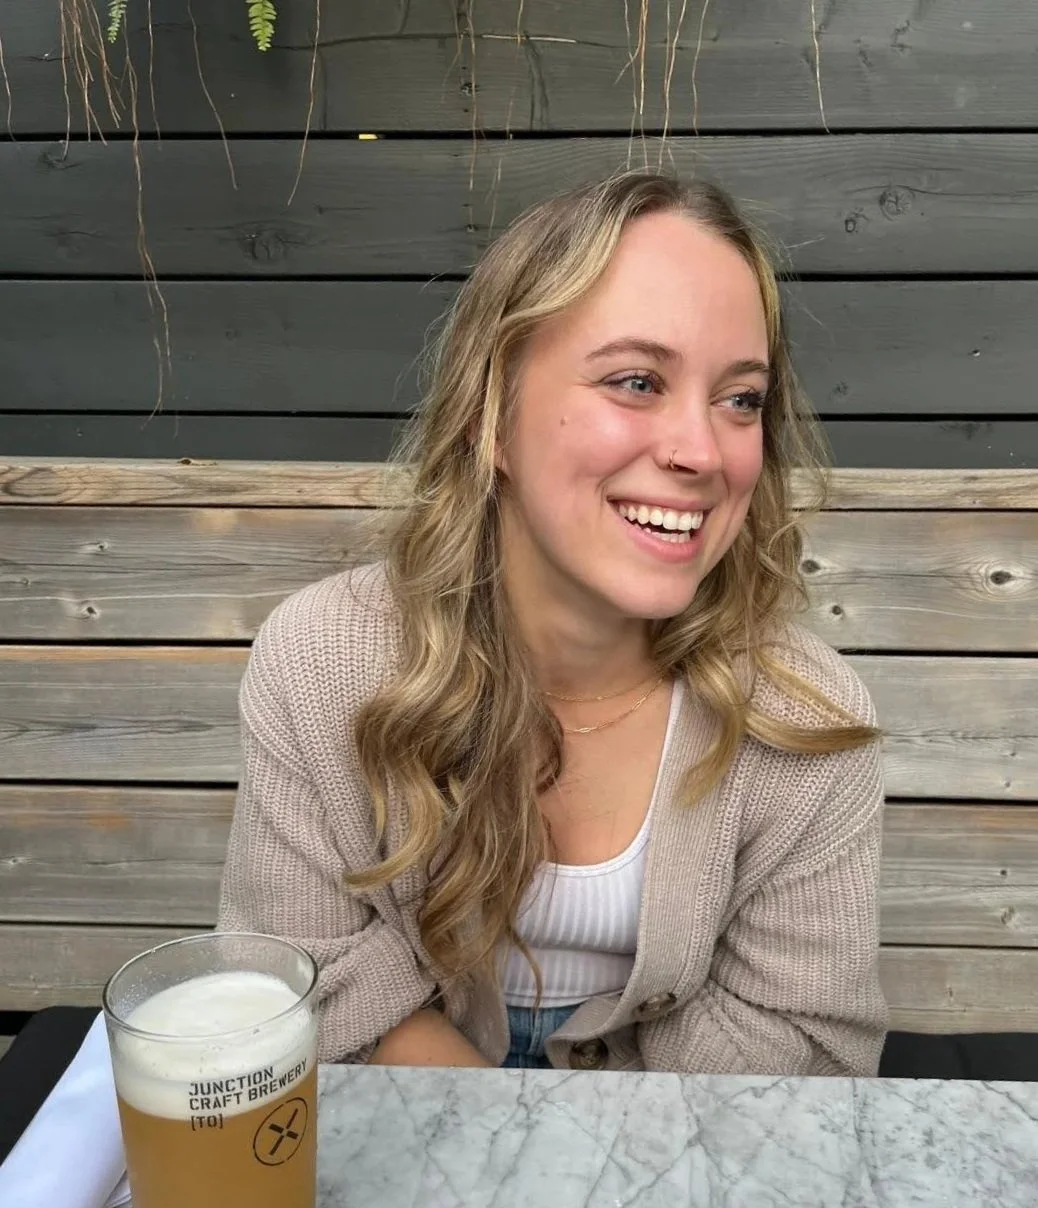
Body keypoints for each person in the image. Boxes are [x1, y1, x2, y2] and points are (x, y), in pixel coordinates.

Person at [218, 171, 888, 1075]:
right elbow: (299, 980)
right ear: (493, 415)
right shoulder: (324, 663)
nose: (701, 451)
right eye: (637, 381)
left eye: (741, 399)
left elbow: (796, 1059)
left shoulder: (802, 719)